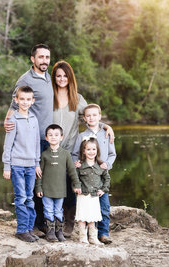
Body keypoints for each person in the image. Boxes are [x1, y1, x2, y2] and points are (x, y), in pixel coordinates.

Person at [50, 60, 115, 237]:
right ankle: (46, 223)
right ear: (54, 78)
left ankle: (69, 223)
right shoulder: (49, 96)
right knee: (50, 186)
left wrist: (105, 126)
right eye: (58, 76)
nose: (62, 79)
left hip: (71, 149)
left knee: (71, 185)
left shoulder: (77, 99)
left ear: (70, 78)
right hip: (51, 147)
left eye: (65, 76)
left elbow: (90, 116)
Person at [4, 44, 53, 233]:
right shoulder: (26, 79)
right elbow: (13, 104)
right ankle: (31, 226)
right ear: (32, 59)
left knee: (42, 183)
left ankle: (39, 223)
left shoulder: (49, 77)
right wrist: (7, 123)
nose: (44, 61)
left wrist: (103, 125)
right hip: (32, 140)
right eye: (41, 57)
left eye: (47, 57)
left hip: (48, 140)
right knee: (31, 186)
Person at [2, 86, 42, 243]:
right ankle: (21, 230)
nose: (25, 102)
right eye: (22, 99)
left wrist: (37, 163)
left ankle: (29, 229)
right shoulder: (13, 120)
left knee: (30, 198)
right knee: (21, 198)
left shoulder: (33, 118)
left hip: (31, 166)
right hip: (17, 165)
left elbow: (37, 142)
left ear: (33, 101)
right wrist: (7, 166)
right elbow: (8, 144)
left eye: (28, 99)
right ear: (16, 100)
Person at [72, 104, 116, 244]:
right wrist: (76, 163)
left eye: (94, 115)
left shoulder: (106, 133)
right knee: (88, 207)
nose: (92, 118)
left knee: (103, 206)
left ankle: (103, 234)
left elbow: (112, 154)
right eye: (88, 115)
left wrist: (107, 164)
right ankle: (90, 234)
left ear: (100, 116)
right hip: (86, 179)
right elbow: (74, 154)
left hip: (100, 176)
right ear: (84, 118)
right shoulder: (82, 136)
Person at [35, 124, 82, 242]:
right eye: (50, 135)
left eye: (56, 135)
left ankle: (58, 231)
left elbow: (72, 171)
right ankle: (50, 232)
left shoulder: (65, 154)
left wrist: (76, 185)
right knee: (48, 210)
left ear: (62, 137)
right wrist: (39, 188)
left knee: (58, 210)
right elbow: (39, 174)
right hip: (46, 189)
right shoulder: (44, 155)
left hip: (60, 190)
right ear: (46, 138)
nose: (53, 137)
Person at [75, 137, 110, 245]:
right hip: (83, 194)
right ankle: (82, 237)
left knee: (93, 216)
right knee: (82, 216)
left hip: (95, 195)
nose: (91, 152)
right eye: (88, 149)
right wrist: (76, 187)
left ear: (97, 150)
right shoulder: (80, 166)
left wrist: (103, 190)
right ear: (84, 151)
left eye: (94, 149)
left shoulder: (101, 166)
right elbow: (75, 178)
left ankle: (93, 237)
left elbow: (107, 178)